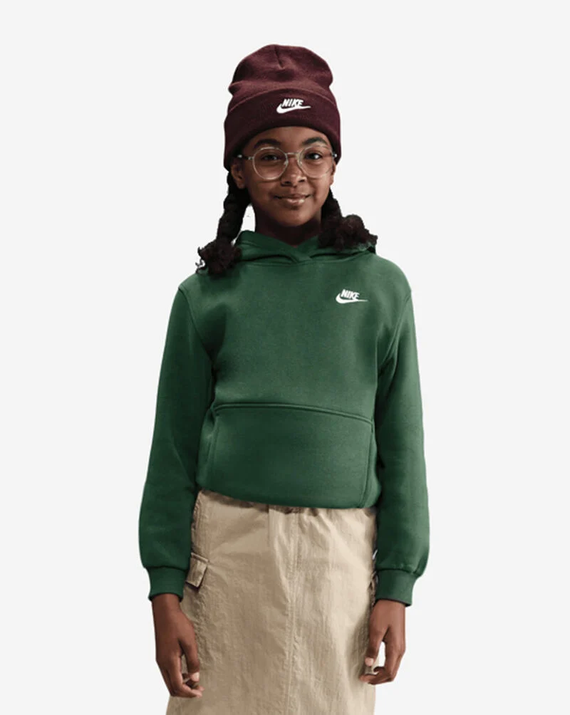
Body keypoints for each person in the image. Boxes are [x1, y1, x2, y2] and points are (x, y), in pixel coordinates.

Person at [138, 43, 430, 714]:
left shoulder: (381, 288)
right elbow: (172, 452)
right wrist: (164, 591)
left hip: (341, 565)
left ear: (334, 163)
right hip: (226, 559)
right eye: (269, 155)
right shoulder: (205, 296)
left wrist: (396, 584)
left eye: (313, 153)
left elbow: (403, 443)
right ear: (238, 170)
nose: (294, 175)